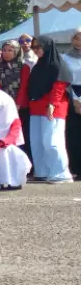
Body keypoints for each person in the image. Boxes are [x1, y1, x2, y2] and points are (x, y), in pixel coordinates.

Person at [20, 39, 73, 182]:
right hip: (36, 107)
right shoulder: (38, 65)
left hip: (53, 106)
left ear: (47, 47)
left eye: (38, 47)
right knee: (37, 142)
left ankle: (61, 173)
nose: (35, 50)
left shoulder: (58, 64)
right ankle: (42, 171)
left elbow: (59, 86)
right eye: (33, 47)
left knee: (52, 141)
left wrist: (52, 104)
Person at [63, 29, 81, 179]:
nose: (79, 41)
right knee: (74, 134)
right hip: (71, 95)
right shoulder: (64, 58)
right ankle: (75, 168)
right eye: (76, 38)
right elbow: (65, 80)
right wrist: (76, 100)